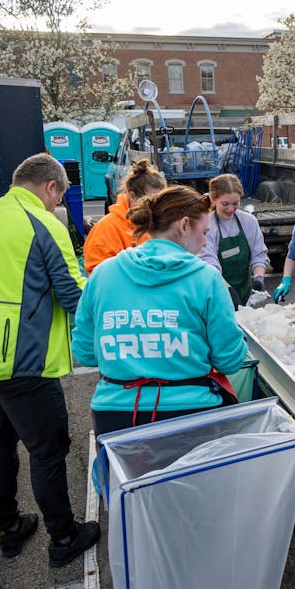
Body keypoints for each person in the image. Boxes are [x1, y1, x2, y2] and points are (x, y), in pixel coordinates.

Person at [0, 153, 100, 569]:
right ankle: (64, 536)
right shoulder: (43, 222)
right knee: (47, 451)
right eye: (59, 197)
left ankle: (9, 530)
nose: (57, 205)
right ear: (52, 186)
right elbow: (72, 293)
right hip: (20, 359)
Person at [72, 185, 247, 438]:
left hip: (116, 414)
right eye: (205, 232)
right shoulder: (206, 278)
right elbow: (229, 360)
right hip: (192, 411)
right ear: (184, 225)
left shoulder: (103, 274)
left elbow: (85, 353)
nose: (205, 242)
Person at [83, 159, 166, 274]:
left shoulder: (161, 224)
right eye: (150, 201)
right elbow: (98, 274)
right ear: (132, 196)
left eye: (161, 200)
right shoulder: (107, 228)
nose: (157, 206)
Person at [198, 174, 269, 305]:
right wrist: (226, 289)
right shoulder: (207, 225)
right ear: (213, 200)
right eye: (225, 204)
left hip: (245, 295)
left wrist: (259, 278)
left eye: (235, 203)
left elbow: (259, 254)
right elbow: (209, 262)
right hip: (215, 295)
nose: (231, 209)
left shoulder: (249, 222)